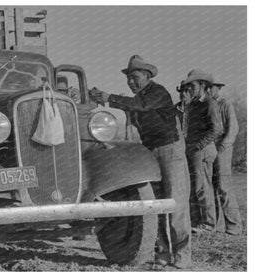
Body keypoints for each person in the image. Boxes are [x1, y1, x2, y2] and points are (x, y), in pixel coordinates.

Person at [89, 55, 191, 269]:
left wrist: (108, 97)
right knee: (157, 204)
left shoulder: (157, 92)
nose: (131, 82)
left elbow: (139, 105)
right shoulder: (138, 99)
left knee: (176, 203)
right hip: (151, 152)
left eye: (135, 77)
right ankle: (163, 252)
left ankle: (182, 255)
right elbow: (132, 106)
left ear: (147, 76)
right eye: (128, 78)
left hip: (170, 151)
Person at [182, 69, 222, 233]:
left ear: (202, 85)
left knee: (203, 186)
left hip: (203, 151)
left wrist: (198, 145)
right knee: (195, 187)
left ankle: (208, 224)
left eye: (192, 85)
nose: (189, 89)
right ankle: (199, 221)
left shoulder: (210, 103)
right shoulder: (195, 104)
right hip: (194, 150)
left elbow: (217, 129)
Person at [207, 81, 242, 235]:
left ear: (218, 89)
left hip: (222, 148)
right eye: (206, 88)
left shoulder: (225, 104)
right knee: (210, 187)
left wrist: (223, 145)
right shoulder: (205, 106)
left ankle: (234, 225)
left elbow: (233, 128)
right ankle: (216, 224)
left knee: (223, 185)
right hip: (209, 149)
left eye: (211, 88)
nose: (208, 91)